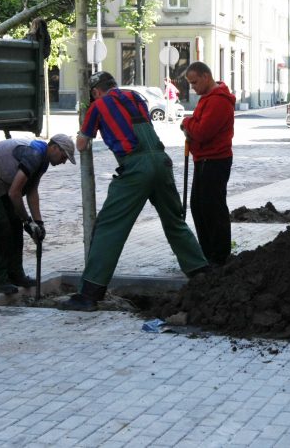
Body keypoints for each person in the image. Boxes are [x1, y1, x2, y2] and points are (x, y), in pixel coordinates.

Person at [61, 71, 210, 311]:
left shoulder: (98, 106)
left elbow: (82, 144)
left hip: (135, 168)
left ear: (96, 92)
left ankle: (89, 293)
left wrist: (83, 129)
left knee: (110, 228)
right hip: (161, 162)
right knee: (175, 222)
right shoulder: (135, 97)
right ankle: (202, 275)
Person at [0, 133, 76, 294]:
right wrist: (27, 220)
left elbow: (32, 191)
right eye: (64, 156)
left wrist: (38, 223)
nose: (64, 161)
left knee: (15, 225)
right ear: (54, 147)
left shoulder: (43, 160)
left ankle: (15, 275)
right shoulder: (34, 155)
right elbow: (14, 193)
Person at [182, 62, 235, 265]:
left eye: (194, 82)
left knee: (212, 207)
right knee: (199, 206)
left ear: (206, 76)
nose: (192, 88)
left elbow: (202, 132)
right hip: (204, 159)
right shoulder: (208, 99)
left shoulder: (218, 101)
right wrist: (191, 124)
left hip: (214, 160)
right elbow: (198, 126)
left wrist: (186, 123)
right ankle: (209, 252)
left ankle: (219, 255)